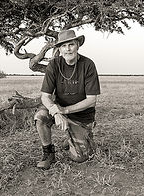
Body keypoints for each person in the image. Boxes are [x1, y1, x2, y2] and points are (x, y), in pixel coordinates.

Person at [34, 29, 100, 169]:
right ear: (59, 49)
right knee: (40, 116)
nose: (68, 49)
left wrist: (64, 110)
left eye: (71, 44)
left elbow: (91, 100)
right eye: (63, 46)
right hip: (59, 110)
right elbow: (45, 96)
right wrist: (56, 112)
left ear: (77, 45)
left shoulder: (88, 65)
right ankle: (48, 153)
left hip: (82, 116)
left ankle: (74, 138)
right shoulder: (54, 65)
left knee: (80, 157)